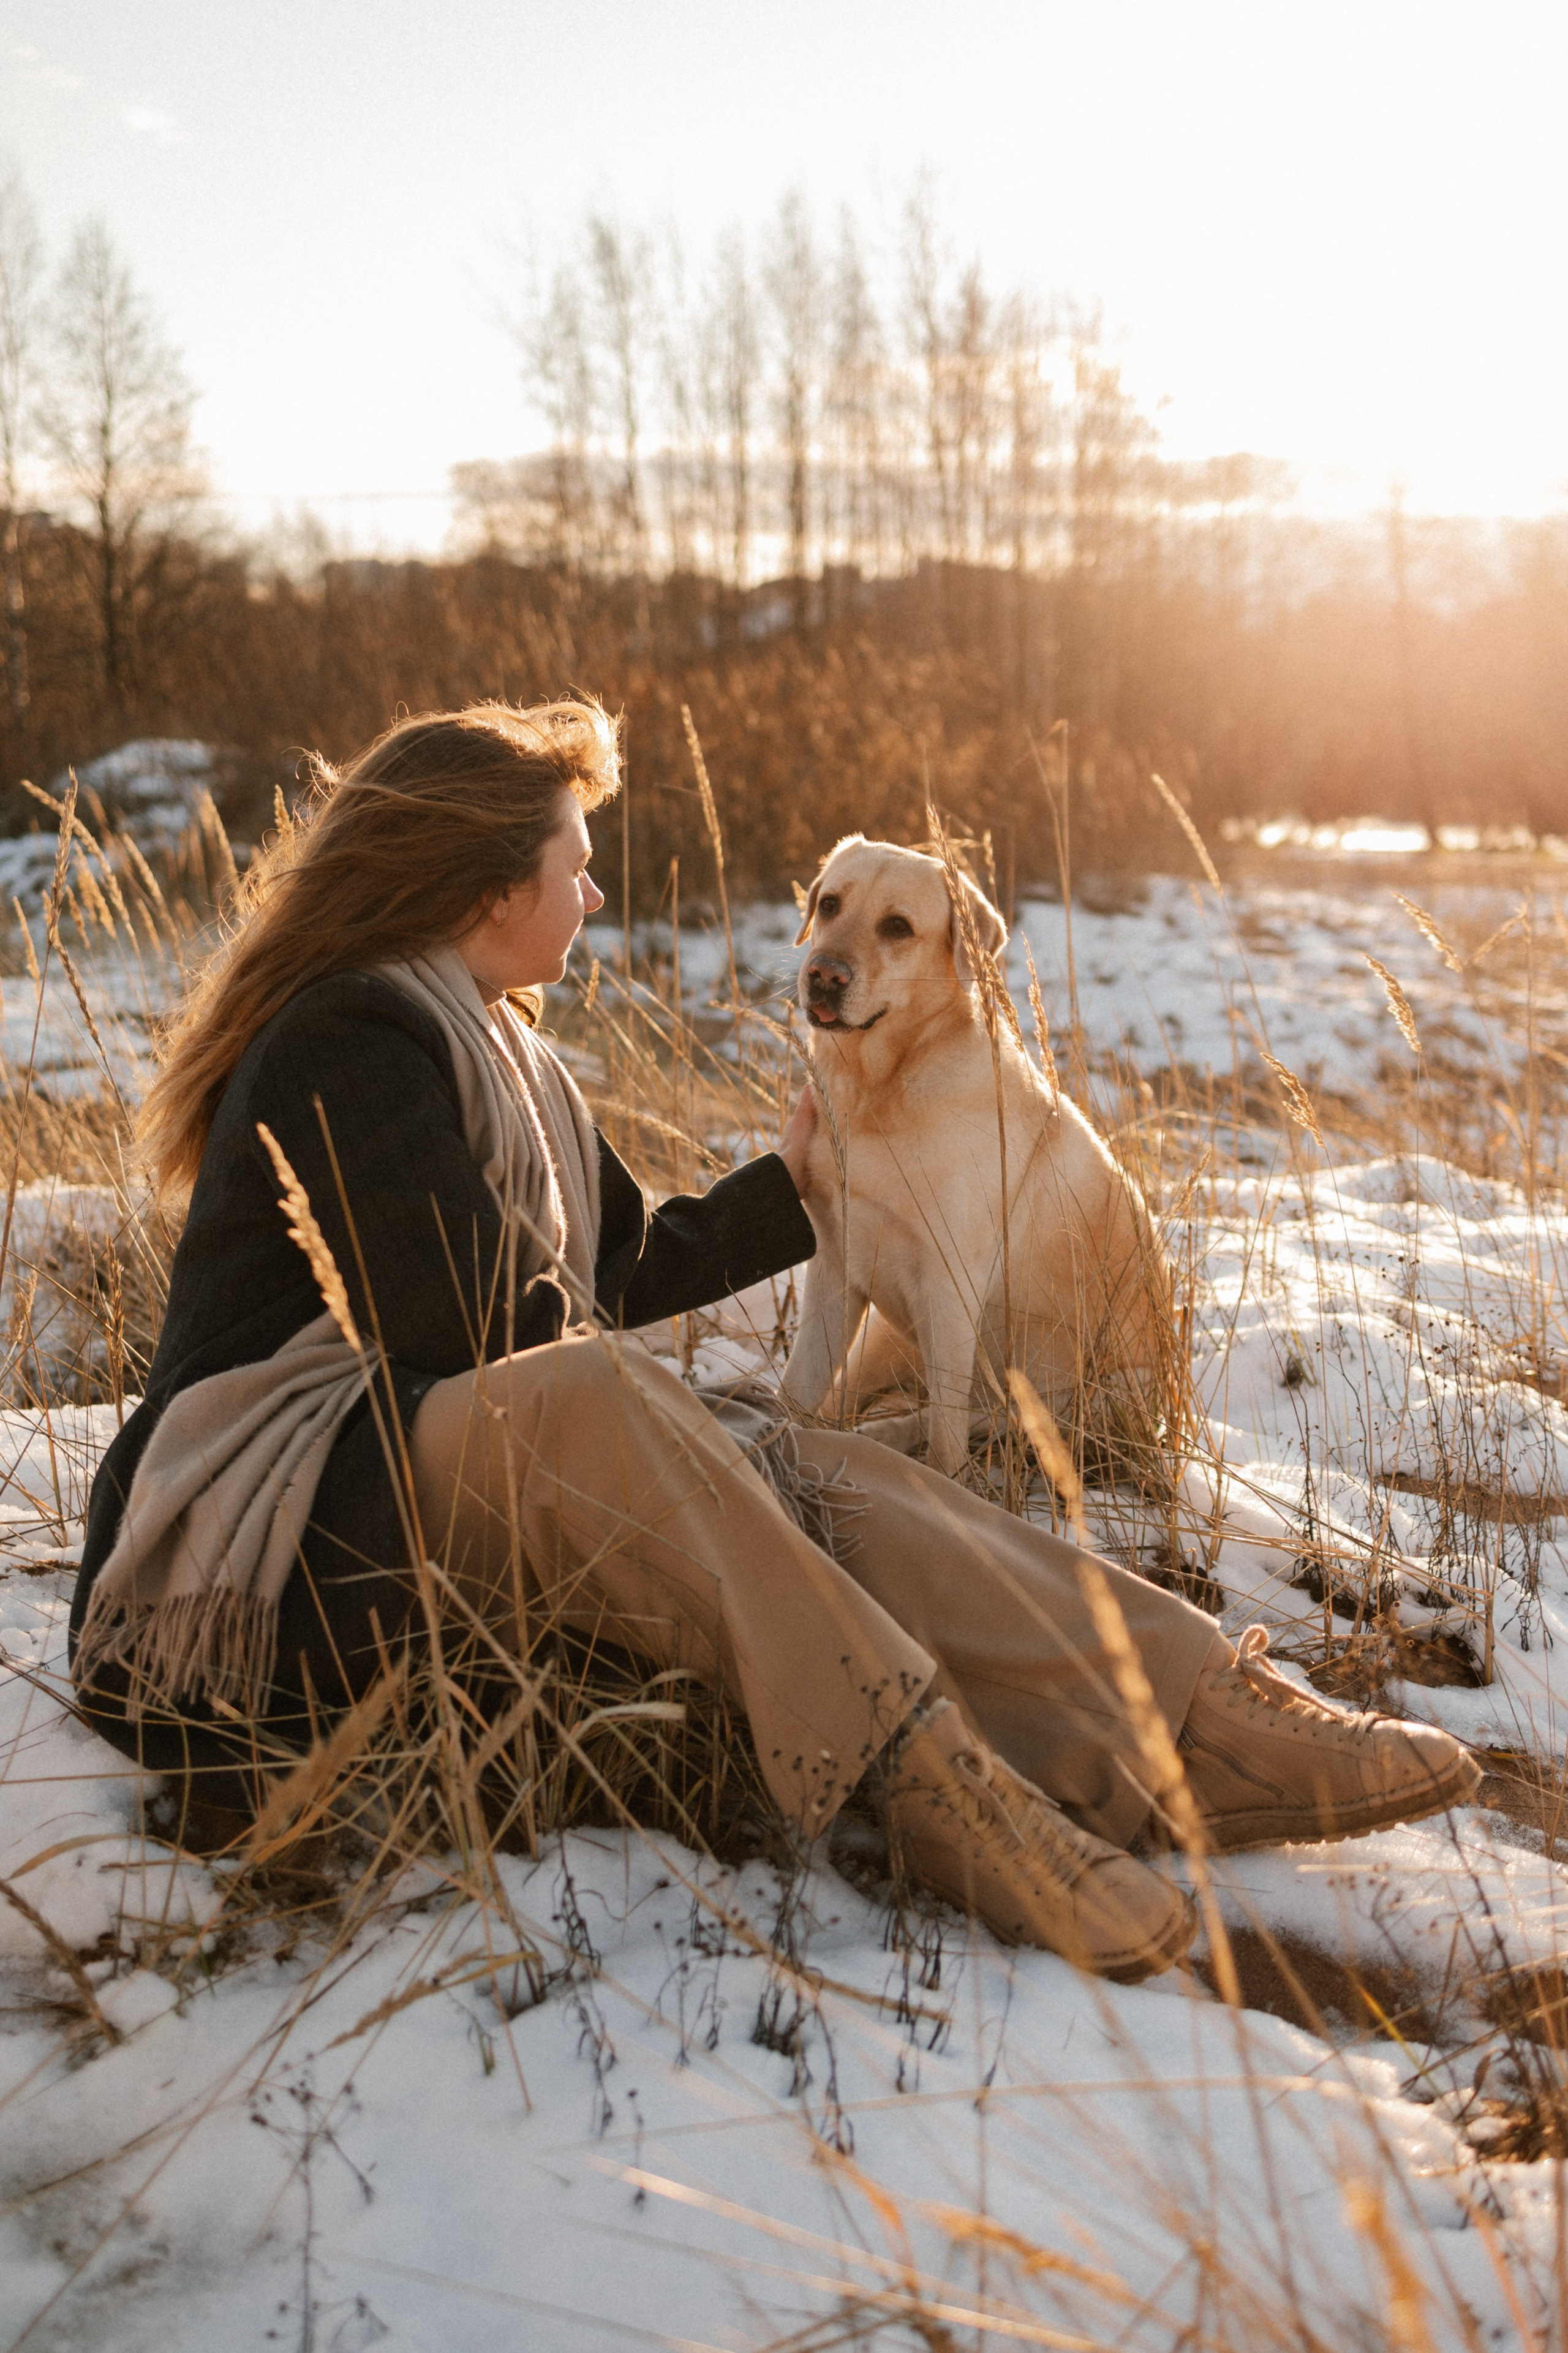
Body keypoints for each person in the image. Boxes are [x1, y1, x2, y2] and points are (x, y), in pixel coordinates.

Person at [69, 698, 1481, 1985]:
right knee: (635, 1410)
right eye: (575, 861)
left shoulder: (509, 1050)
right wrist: (692, 1419)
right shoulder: (353, 1034)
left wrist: (790, 1188)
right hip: (286, 1516)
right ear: (490, 886)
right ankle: (943, 1794)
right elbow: (476, 1327)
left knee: (815, 1465)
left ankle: (1194, 1720)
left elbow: (608, 1267)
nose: (595, 889)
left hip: (438, 1465)